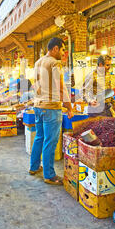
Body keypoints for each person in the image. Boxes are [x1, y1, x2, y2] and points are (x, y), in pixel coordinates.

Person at [29, 37, 73, 185]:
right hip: (51, 107)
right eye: (62, 49)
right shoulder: (55, 63)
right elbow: (60, 86)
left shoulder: (38, 62)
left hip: (38, 105)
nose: (63, 53)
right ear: (55, 49)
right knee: (50, 140)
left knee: (39, 137)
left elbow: (35, 84)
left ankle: (34, 167)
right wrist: (68, 105)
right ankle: (49, 175)